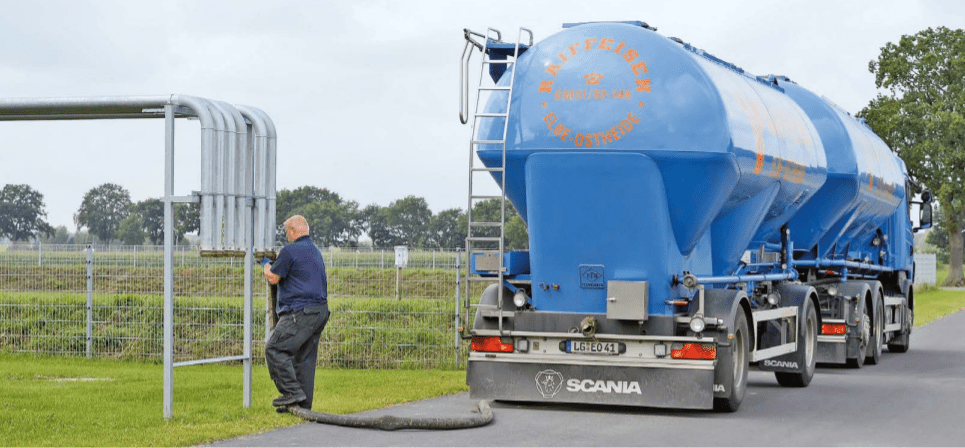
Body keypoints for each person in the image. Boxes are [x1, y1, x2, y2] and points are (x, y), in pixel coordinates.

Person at [262, 215, 330, 410]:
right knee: (304, 359)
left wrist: (265, 263)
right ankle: (302, 406)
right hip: (320, 312)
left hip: (300, 312)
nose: (287, 236)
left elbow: (273, 277)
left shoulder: (290, 251)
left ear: (292, 230)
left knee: (275, 349)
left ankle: (291, 392)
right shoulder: (314, 251)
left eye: (286, 232)